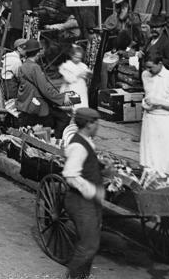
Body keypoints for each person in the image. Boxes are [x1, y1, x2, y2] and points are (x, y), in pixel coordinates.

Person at [61, 107, 104, 279]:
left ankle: (82, 277)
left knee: (90, 244)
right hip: (79, 201)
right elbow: (70, 175)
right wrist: (93, 191)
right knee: (88, 245)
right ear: (88, 124)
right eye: (96, 123)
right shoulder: (78, 145)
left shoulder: (87, 141)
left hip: (88, 201)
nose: (98, 126)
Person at [139, 54, 169, 177]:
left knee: (165, 158)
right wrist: (146, 102)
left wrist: (159, 102)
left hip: (166, 121)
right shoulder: (145, 75)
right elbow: (149, 93)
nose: (149, 70)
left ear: (160, 64)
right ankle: (150, 181)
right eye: (146, 67)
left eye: (151, 67)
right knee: (149, 156)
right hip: (149, 120)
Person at [16, 40, 73, 137]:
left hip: (26, 102)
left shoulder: (23, 66)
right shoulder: (34, 68)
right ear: (38, 53)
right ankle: (56, 141)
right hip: (36, 104)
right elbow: (46, 90)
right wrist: (66, 98)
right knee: (64, 118)